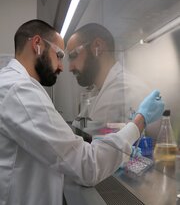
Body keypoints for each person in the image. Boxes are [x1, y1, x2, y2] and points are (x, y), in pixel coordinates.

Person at [0, 19, 164, 205]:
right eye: (60, 55)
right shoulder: (20, 90)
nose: (63, 67)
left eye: (67, 56)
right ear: (37, 44)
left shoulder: (18, 86)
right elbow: (87, 166)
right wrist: (139, 122)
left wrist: (113, 145)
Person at [66, 23, 150, 130]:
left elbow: (96, 140)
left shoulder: (123, 89)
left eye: (73, 56)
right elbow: (79, 126)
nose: (70, 67)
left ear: (98, 47)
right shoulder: (99, 90)